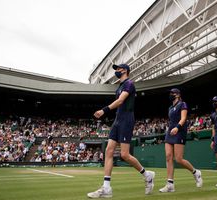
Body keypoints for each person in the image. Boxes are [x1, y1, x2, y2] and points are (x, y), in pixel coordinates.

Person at [87, 64, 155, 198]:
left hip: (126, 120)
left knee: (124, 155)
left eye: (118, 69)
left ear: (125, 71)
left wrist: (103, 110)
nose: (116, 71)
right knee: (109, 151)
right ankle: (106, 188)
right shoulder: (119, 86)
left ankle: (147, 175)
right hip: (117, 120)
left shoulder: (129, 84)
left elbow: (120, 101)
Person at [159, 88, 203, 193]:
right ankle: (170, 184)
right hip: (170, 131)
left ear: (178, 95)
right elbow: (171, 120)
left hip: (179, 131)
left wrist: (177, 127)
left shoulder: (183, 104)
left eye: (173, 93)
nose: (171, 95)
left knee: (178, 159)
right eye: (170, 93)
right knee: (168, 156)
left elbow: (183, 118)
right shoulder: (170, 107)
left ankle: (196, 172)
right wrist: (170, 129)